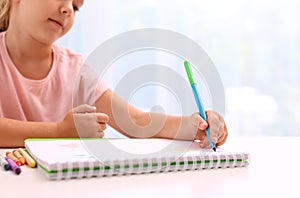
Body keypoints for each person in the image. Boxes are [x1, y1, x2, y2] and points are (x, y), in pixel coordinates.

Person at [0, 0, 228, 148]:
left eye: (76, 6)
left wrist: (193, 126)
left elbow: (136, 121)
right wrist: (60, 131)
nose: (68, 9)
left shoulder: (75, 70)